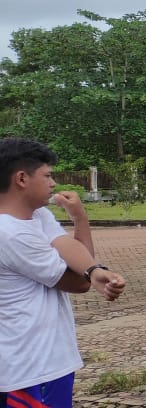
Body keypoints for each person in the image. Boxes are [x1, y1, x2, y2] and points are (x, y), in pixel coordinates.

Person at [0, 138, 126, 407]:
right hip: (28, 367)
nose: (53, 183)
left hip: (49, 358)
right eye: (47, 175)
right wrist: (89, 277)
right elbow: (75, 284)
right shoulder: (9, 233)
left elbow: (67, 245)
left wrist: (92, 267)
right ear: (21, 178)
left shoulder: (36, 216)